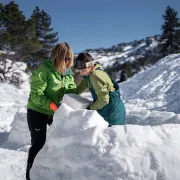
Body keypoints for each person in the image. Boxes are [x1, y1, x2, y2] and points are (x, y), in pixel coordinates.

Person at [26, 42, 76, 180]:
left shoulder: (68, 71)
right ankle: (30, 177)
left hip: (55, 111)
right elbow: (36, 95)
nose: (67, 62)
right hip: (38, 110)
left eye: (69, 58)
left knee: (62, 139)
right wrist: (52, 105)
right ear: (56, 57)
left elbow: (71, 90)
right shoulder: (44, 70)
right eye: (65, 58)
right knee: (38, 144)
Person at [73, 52, 126, 126]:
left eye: (83, 71)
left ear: (91, 67)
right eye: (80, 71)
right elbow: (79, 89)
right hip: (106, 108)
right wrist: (68, 94)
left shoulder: (95, 75)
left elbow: (104, 99)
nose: (81, 74)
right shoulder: (89, 75)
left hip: (112, 111)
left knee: (112, 135)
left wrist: (90, 109)